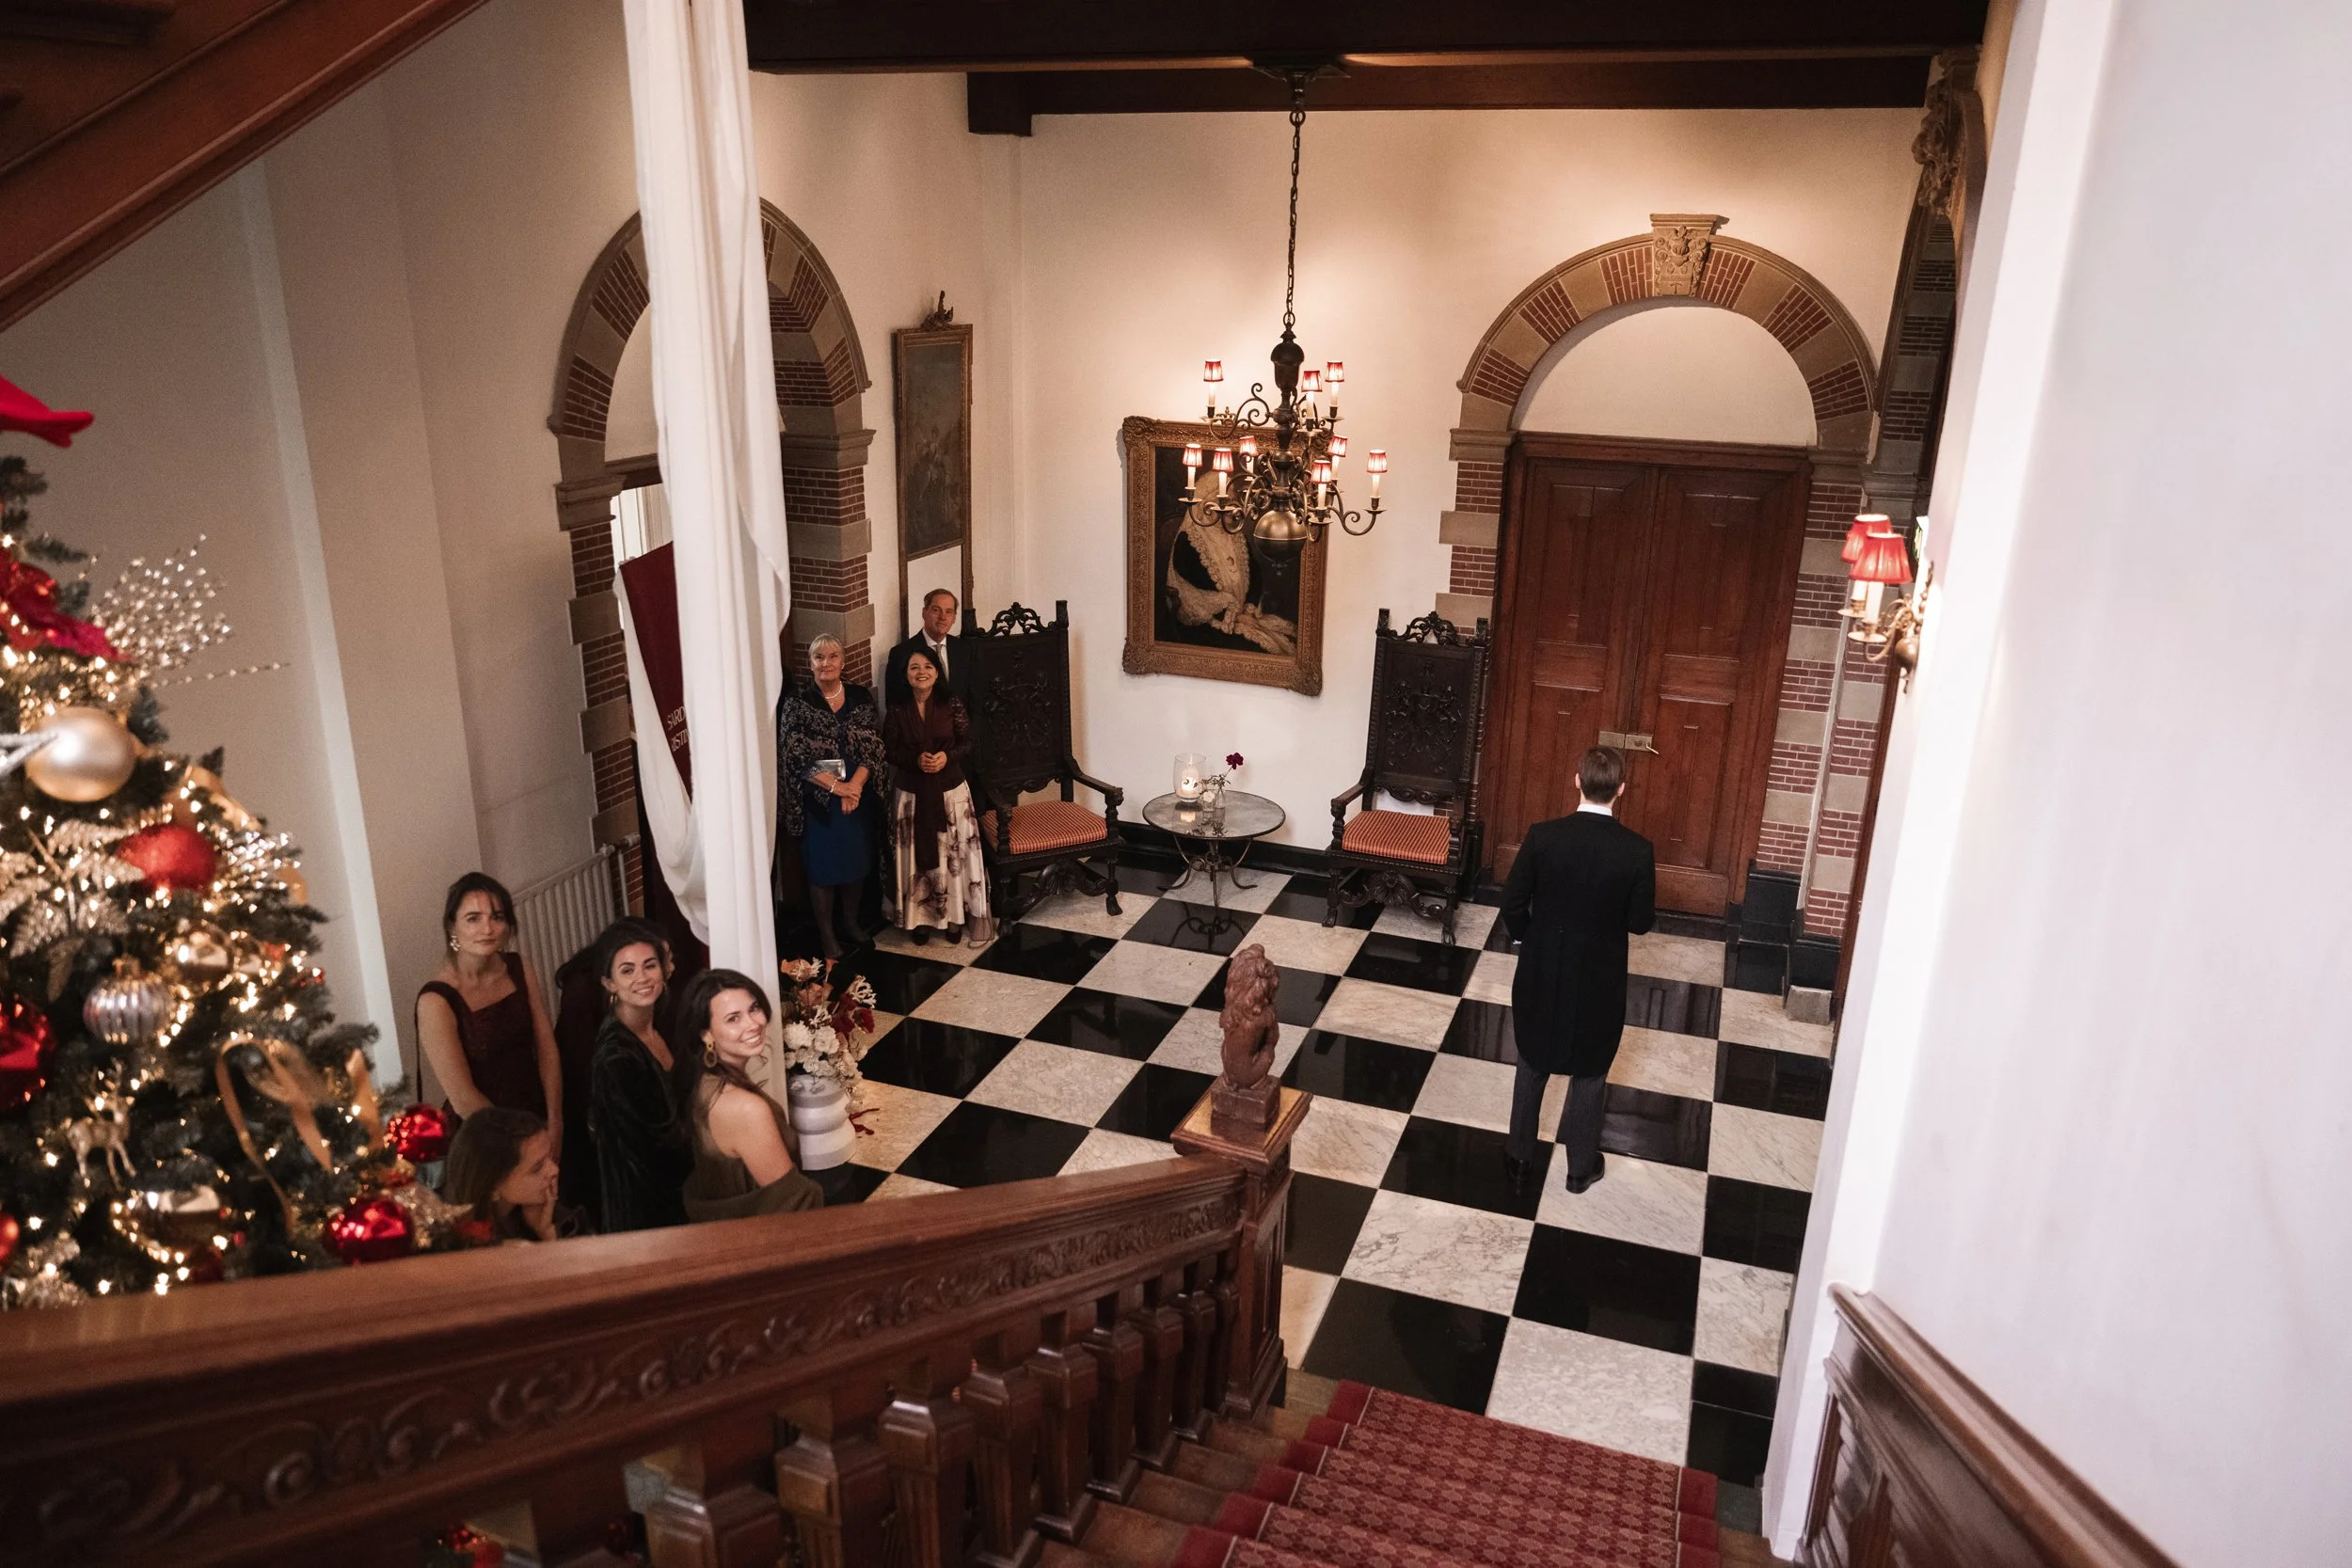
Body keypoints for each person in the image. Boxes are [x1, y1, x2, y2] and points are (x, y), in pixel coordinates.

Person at [1500, 745, 1657, 1195]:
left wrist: (1526, 937)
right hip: (1600, 978)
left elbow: (1512, 901)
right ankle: (1579, 1170)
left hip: (1542, 968)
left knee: (1532, 1060)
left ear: (1577, 781)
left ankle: (1518, 1161)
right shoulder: (1637, 851)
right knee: (1590, 1070)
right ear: (1621, 790)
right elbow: (1640, 923)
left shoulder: (1542, 836)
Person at [416, 873, 563, 1154]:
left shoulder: (519, 967)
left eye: (497, 917)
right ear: (452, 927)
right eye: (473, 918)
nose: (488, 928)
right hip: (485, 1135)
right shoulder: (435, 1000)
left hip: (536, 1112)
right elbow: (462, 1098)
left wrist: (556, 1121)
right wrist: (521, 1146)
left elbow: (547, 1047)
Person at [668, 968, 825, 1221]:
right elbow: (795, 1202)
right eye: (733, 1019)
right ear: (705, 1033)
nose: (753, 1024)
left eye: (753, 1008)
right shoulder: (744, 1108)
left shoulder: (702, 1079)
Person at [779, 633, 886, 959]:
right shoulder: (798, 701)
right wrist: (838, 789)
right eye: (818, 657)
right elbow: (794, 754)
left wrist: (855, 786)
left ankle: (851, 923)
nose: (826, 663)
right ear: (809, 663)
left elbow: (874, 745)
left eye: (832, 656)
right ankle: (827, 936)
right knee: (824, 870)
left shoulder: (859, 695)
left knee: (855, 864)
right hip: (820, 800)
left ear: (843, 661)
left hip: (857, 795)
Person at [882, 647, 995, 947]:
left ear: (937, 672)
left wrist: (946, 757)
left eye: (927, 666)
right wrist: (915, 760)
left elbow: (968, 741)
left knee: (953, 857)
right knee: (916, 861)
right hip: (912, 796)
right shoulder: (897, 709)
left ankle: (955, 918)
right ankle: (920, 920)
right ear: (905, 675)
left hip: (950, 793)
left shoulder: (951, 703)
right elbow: (889, 749)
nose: (921, 672)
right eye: (914, 667)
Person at [587, 918, 692, 1232]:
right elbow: (643, 1157)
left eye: (650, 966)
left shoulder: (654, 1023)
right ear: (609, 983)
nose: (643, 978)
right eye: (627, 970)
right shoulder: (616, 1058)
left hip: (673, 1189)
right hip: (646, 1211)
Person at [441, 1105, 579, 1242]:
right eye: (537, 1168)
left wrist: (545, 1232)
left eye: (550, 1156)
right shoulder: (454, 1244)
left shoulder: (554, 1214)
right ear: (493, 1187)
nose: (554, 1170)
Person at [884, 587, 973, 710]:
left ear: (954, 618)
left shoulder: (965, 649)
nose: (943, 617)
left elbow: (976, 699)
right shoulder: (900, 654)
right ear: (924, 612)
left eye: (949, 611)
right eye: (936, 610)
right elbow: (895, 705)